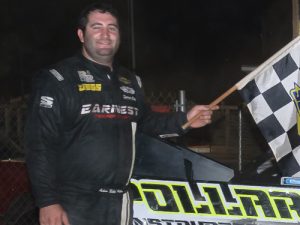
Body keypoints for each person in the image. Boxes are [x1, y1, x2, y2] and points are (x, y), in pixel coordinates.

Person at [25, 2, 218, 225]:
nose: (105, 34)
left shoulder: (130, 80)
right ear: (81, 34)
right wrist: (48, 201)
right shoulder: (57, 79)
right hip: (72, 203)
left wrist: (185, 119)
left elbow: (145, 122)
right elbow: (39, 145)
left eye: (112, 28)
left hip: (119, 201)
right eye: (96, 27)